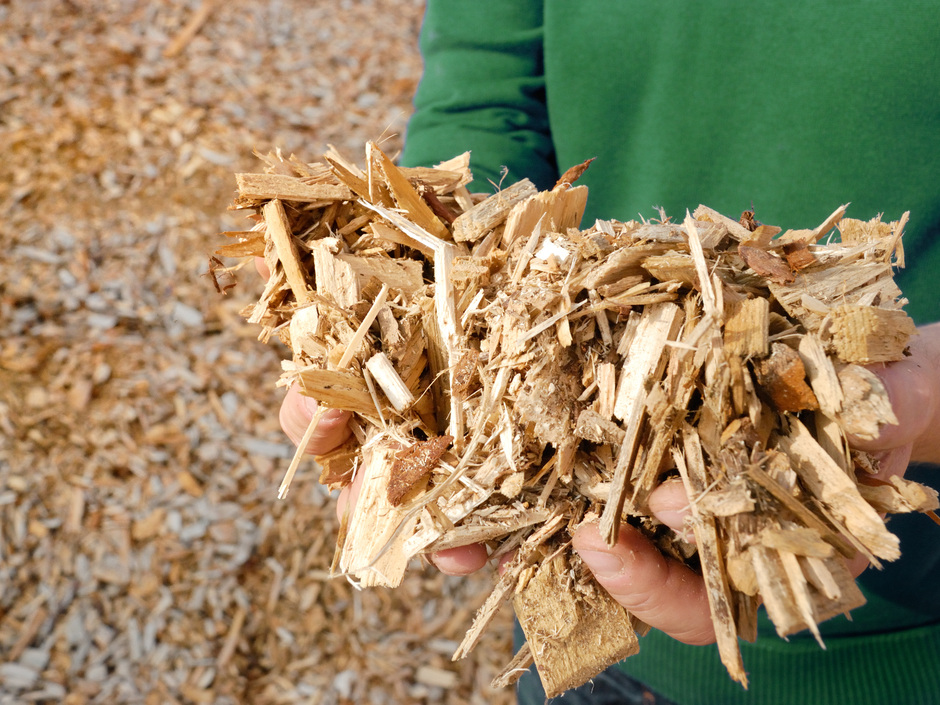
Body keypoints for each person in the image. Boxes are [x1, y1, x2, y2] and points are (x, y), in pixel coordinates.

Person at [281, 3, 940, 703]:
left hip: (896, 651)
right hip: (580, 602)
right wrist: (423, 302)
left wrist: (914, 397)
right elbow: (489, 87)